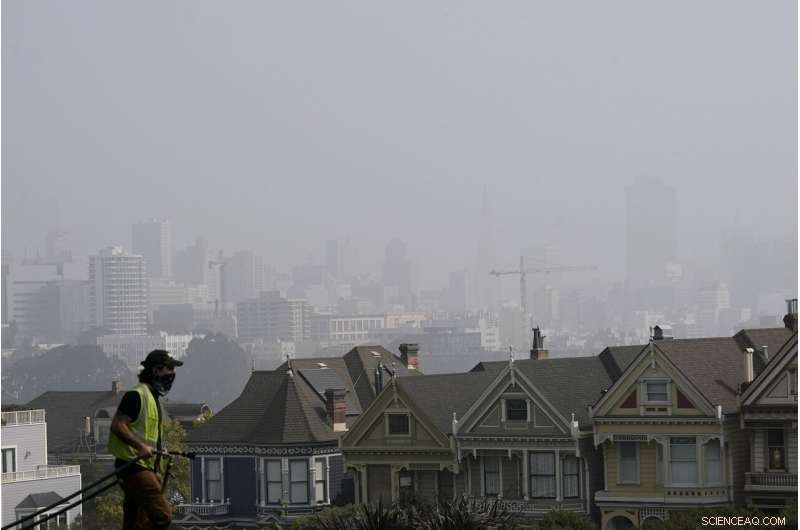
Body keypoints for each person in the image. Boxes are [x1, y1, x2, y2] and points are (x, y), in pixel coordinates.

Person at [109, 349, 183, 529]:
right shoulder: (137, 396)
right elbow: (118, 425)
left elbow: (147, 435)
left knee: (136, 523)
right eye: (169, 369)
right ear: (156, 371)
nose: (173, 373)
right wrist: (140, 447)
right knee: (162, 515)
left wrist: (159, 450)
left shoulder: (152, 398)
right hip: (134, 467)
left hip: (143, 467)